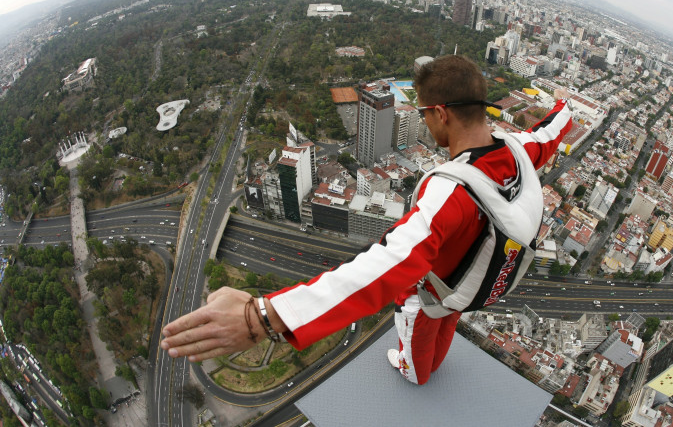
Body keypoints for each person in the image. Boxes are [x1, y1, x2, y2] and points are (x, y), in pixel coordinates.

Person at [161, 55, 572, 385]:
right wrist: (565, 107)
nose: (425, 123)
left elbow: (382, 267)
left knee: (420, 343)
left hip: (433, 293)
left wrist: (264, 318)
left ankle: (413, 371)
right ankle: (433, 357)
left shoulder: (450, 193)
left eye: (425, 113)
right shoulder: (519, 150)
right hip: (471, 282)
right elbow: (552, 131)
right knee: (448, 317)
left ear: (442, 114)